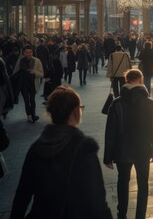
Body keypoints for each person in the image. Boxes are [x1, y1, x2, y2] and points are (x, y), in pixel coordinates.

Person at [11, 86, 112, 218]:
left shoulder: (37, 148)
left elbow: (22, 196)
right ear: (75, 111)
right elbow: (97, 202)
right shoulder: (85, 149)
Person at [104, 69, 153, 219]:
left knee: (122, 182)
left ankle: (121, 214)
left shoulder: (116, 103)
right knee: (143, 185)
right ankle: (140, 215)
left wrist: (107, 157)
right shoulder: (150, 103)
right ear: (141, 80)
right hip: (143, 149)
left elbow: (110, 131)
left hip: (122, 150)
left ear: (126, 80)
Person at [13, 46, 44, 123]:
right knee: (26, 101)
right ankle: (29, 116)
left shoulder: (37, 61)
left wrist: (34, 72)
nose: (29, 54)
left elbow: (41, 74)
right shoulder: (20, 61)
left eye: (30, 52)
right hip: (23, 84)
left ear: (32, 52)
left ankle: (33, 115)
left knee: (32, 100)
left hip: (33, 84)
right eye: (27, 52)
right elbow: (15, 72)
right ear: (23, 53)